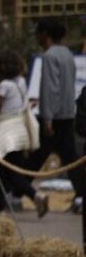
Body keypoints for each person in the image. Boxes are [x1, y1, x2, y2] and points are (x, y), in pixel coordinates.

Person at [0, 51, 47, 216]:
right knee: (13, 170)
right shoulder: (21, 81)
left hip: (5, 130)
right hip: (20, 130)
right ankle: (35, 196)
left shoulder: (4, 85)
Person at [30, 20, 82, 215]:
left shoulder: (49, 56)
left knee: (38, 156)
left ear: (45, 35)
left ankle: (20, 190)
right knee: (70, 158)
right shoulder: (67, 54)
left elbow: (50, 88)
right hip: (67, 113)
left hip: (55, 117)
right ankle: (81, 194)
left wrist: (48, 118)